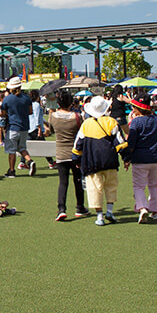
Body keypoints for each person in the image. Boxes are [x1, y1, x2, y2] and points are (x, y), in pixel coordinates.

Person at [72, 95, 127, 226]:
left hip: (92, 161)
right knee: (111, 185)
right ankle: (110, 211)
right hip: (110, 160)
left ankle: (99, 216)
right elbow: (120, 142)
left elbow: (77, 145)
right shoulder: (112, 122)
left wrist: (76, 160)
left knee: (94, 188)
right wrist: (126, 158)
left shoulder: (86, 124)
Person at [123, 98, 157, 224]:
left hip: (140, 158)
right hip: (156, 158)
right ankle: (155, 211)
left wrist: (127, 158)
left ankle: (143, 208)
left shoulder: (136, 122)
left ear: (138, 108)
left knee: (139, 186)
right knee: (154, 185)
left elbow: (131, 142)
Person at [45, 91, 88, 221]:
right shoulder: (77, 116)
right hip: (75, 153)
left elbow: (51, 131)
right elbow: (82, 132)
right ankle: (80, 207)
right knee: (78, 181)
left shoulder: (53, 116)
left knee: (63, 182)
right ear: (71, 103)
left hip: (60, 153)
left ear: (58, 103)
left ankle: (61, 209)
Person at [0, 76, 35, 177]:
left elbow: (3, 114)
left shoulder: (7, 99)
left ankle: (11, 170)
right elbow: (30, 111)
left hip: (13, 127)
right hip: (24, 127)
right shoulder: (26, 98)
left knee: (11, 151)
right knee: (22, 148)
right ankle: (30, 161)